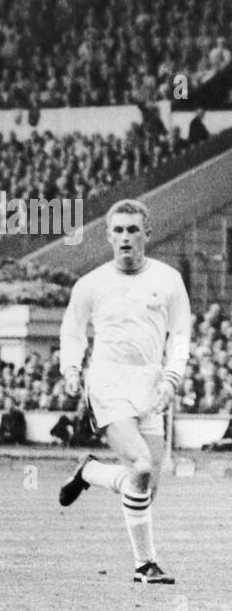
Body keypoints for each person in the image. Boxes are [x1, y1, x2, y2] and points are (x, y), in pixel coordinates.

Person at [57, 199, 191, 584]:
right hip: (107, 382)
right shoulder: (91, 283)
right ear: (108, 236)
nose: (125, 237)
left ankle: (92, 471)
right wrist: (70, 368)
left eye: (133, 229)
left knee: (145, 489)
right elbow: (72, 330)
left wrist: (170, 379)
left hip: (150, 384)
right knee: (142, 466)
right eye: (118, 230)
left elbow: (180, 335)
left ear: (147, 233)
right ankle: (145, 566)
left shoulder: (168, 279)